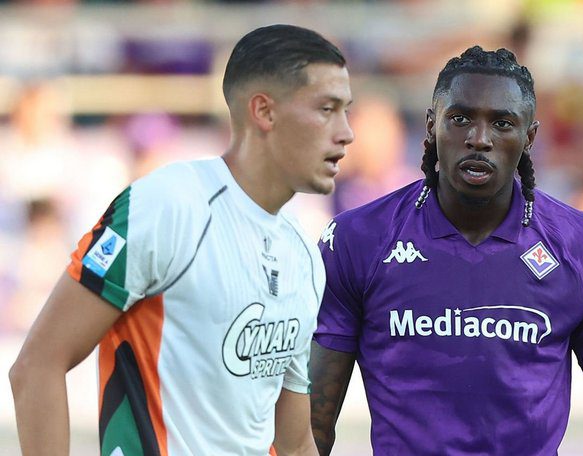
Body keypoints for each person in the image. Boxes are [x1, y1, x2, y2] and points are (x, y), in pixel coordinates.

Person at [309, 46, 583, 455]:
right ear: (430, 126)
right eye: (459, 119)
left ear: (529, 137)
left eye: (502, 123)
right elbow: (314, 424)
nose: (479, 139)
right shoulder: (359, 238)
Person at [10, 24, 354, 456]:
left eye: (346, 111)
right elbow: (36, 366)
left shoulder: (304, 255)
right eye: (327, 108)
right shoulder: (166, 206)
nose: (346, 132)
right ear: (264, 112)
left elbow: (295, 443)